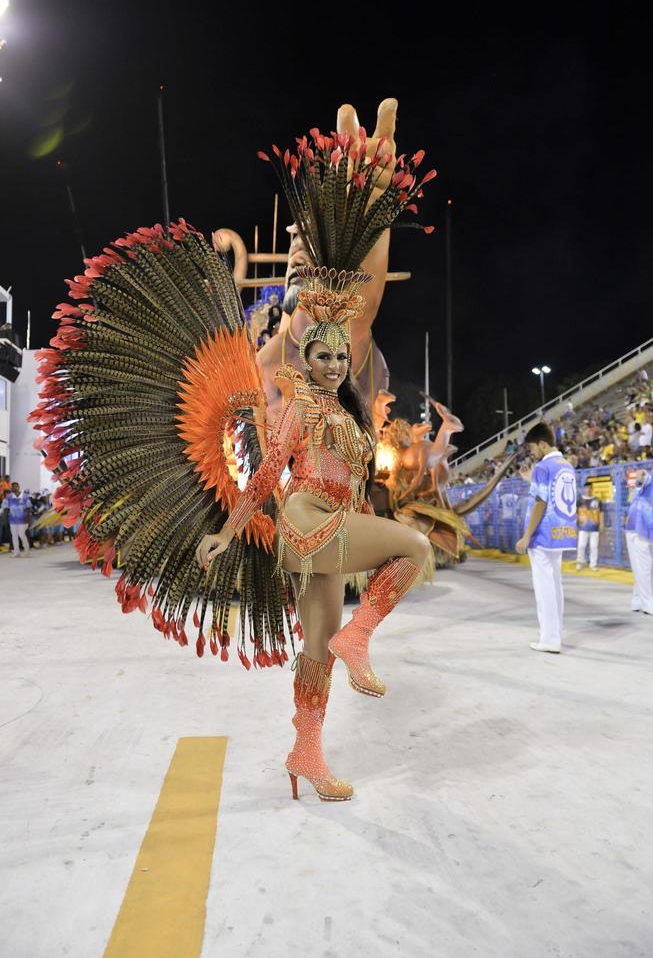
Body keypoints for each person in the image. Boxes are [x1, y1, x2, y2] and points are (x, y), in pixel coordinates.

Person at [33, 101, 435, 804]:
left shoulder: (312, 367)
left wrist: (226, 530)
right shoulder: (289, 367)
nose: (335, 352)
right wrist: (363, 210)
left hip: (305, 520)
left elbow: (344, 321)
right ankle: (360, 638)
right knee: (413, 551)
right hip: (313, 516)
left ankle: (305, 752)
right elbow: (348, 314)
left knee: (316, 637)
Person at [515, 423, 577, 653]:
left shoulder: (542, 466)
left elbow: (540, 502)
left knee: (544, 588)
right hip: (561, 533)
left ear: (542, 444)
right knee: (555, 584)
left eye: (532, 448)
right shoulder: (566, 465)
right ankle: (555, 632)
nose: (531, 453)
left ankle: (549, 639)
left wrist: (526, 536)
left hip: (542, 535)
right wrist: (531, 480)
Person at [624, 469, 653, 615]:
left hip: (640, 527)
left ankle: (637, 600)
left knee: (641, 567)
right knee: (645, 566)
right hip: (639, 528)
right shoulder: (650, 479)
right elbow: (643, 475)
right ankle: (648, 603)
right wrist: (642, 475)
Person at [576, 479, 603, 571]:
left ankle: (593, 564)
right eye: (586, 488)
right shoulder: (580, 500)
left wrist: (601, 523)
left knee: (594, 546)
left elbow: (601, 513)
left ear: (592, 489)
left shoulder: (597, 500)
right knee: (581, 545)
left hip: (594, 527)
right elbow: (576, 513)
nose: (588, 489)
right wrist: (576, 524)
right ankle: (580, 562)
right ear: (584, 489)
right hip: (582, 527)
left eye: (589, 488)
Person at [1, 481, 32, 557]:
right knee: (14, 536)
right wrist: (5, 519)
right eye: (13, 487)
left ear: (18, 487)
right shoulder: (9, 497)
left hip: (23, 520)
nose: (14, 488)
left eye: (16, 486)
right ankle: (16, 552)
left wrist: (28, 519)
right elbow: (6, 508)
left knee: (21, 535)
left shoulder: (24, 496)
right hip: (12, 520)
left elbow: (29, 508)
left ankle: (27, 550)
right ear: (11, 488)